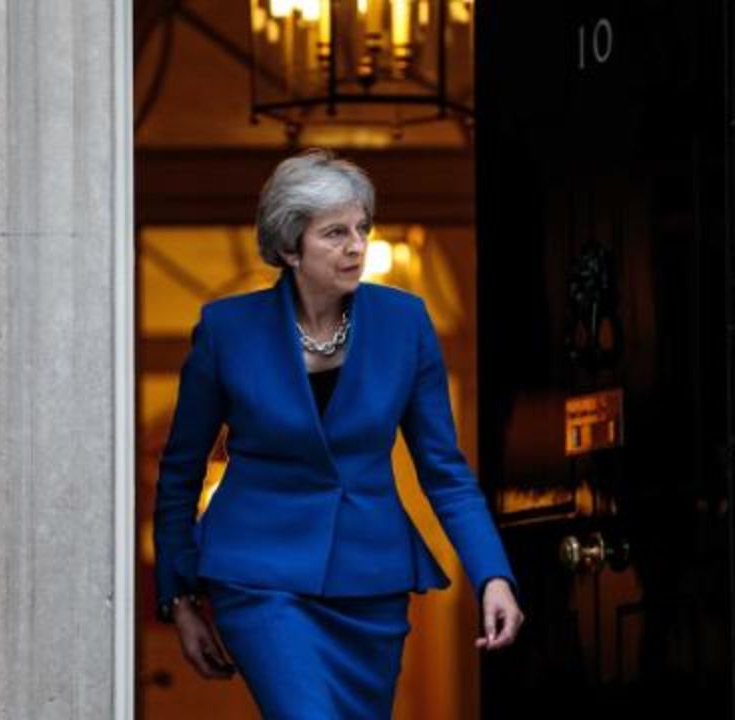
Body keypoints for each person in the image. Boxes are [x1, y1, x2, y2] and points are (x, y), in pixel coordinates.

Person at [152, 148, 525, 717]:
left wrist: (492, 575)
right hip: (259, 579)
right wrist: (179, 597)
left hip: (369, 585)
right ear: (287, 247)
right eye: (334, 233)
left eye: (362, 229)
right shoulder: (227, 331)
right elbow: (180, 471)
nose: (356, 246)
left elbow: (443, 471)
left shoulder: (406, 323)